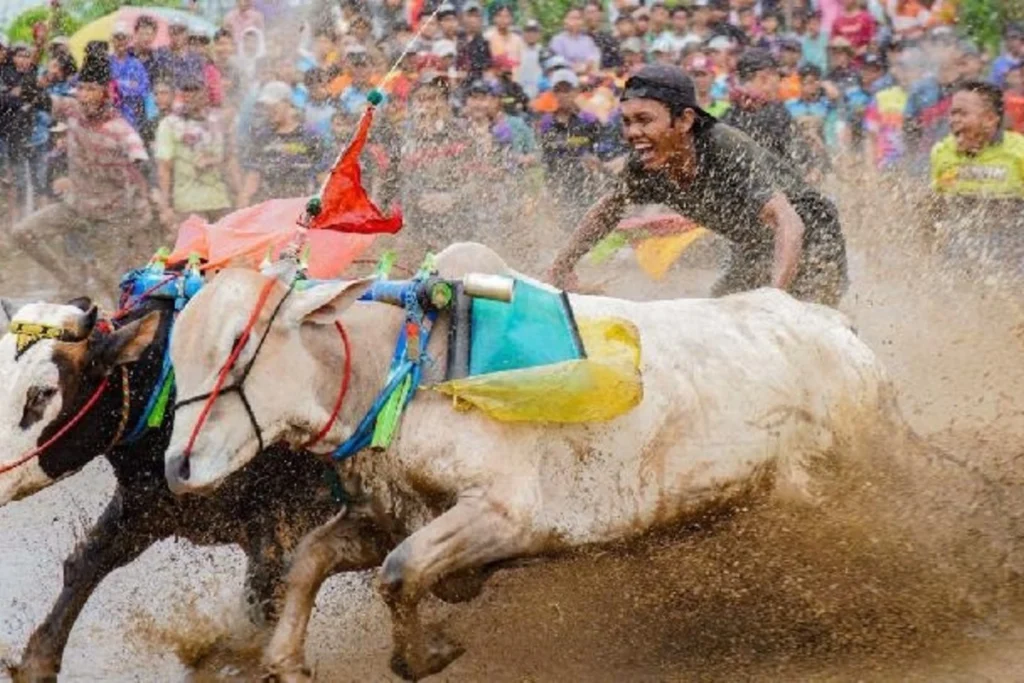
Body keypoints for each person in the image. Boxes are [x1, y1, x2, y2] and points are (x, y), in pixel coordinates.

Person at [550, 65, 848, 307]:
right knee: (721, 314)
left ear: (684, 121)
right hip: (754, 246)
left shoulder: (723, 147)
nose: (633, 133)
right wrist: (561, 267)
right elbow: (607, 211)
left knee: (808, 323)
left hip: (813, 235)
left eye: (644, 120)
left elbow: (789, 222)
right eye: (627, 121)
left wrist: (774, 302)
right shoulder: (645, 164)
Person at [9, 50, 162, 297]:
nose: (84, 96)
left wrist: (156, 197)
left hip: (110, 218)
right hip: (75, 207)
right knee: (22, 233)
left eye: (91, 89)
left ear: (105, 92)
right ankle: (71, 283)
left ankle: (124, 326)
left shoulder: (119, 129)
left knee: (110, 283)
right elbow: (28, 94)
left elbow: (144, 163)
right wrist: (42, 60)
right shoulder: (71, 110)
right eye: (81, 89)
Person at [154, 76, 238, 233]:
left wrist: (239, 194)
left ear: (205, 94)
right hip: (188, 201)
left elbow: (230, 159)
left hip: (219, 199)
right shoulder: (170, 124)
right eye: (186, 92)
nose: (190, 96)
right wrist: (165, 206)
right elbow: (164, 167)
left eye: (195, 91)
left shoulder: (218, 121)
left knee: (224, 250)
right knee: (195, 253)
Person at [722, 49, 816, 177]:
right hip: (774, 189)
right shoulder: (776, 112)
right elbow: (799, 159)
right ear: (764, 77)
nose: (779, 83)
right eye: (777, 76)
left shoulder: (727, 116)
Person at [239, 81, 330, 206]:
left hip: (300, 207)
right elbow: (252, 178)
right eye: (266, 107)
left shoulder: (310, 137)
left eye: (273, 106)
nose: (269, 111)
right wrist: (241, 211)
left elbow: (323, 177)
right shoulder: (262, 137)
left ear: (287, 103)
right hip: (270, 208)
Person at [110, 22, 151, 131]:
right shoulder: (105, 63)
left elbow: (144, 90)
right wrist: (128, 85)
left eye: (123, 38)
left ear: (128, 40)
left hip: (131, 120)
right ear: (112, 40)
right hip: (109, 119)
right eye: (117, 38)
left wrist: (117, 86)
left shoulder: (137, 64)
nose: (120, 42)